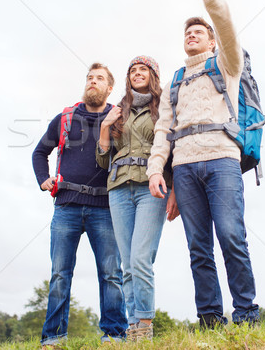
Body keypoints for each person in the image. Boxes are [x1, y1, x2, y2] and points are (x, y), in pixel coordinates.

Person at [147, 0, 260, 328]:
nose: (191, 35)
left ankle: (246, 314)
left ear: (213, 41)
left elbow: (225, 22)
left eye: (199, 32)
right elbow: (164, 128)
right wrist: (154, 171)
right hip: (184, 167)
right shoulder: (175, 80)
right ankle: (210, 319)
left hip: (222, 159)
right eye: (187, 33)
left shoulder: (227, 64)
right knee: (198, 248)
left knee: (231, 235)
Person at [32, 63, 127, 347]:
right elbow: (40, 152)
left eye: (99, 79)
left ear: (110, 88)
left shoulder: (118, 118)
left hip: (105, 207)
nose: (93, 82)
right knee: (60, 274)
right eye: (89, 78)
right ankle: (53, 337)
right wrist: (42, 179)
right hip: (66, 206)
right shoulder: (65, 118)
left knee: (111, 273)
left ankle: (114, 335)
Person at [95, 56, 176, 342]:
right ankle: (133, 328)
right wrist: (105, 127)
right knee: (127, 263)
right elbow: (103, 161)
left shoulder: (164, 108)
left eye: (143, 69)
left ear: (153, 75)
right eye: (133, 70)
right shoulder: (119, 110)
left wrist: (174, 189)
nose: (137, 73)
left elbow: (172, 150)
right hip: (118, 189)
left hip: (150, 188)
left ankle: (144, 324)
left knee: (141, 258)